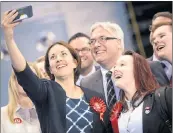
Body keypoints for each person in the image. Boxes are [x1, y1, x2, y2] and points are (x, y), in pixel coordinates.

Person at [1, 10, 111, 133]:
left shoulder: (95, 96)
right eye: (53, 57)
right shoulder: (45, 92)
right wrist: (9, 38)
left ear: (75, 62)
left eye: (63, 54)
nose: (58, 59)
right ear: (51, 69)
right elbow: (23, 72)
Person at [111, 50, 171, 133]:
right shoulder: (118, 112)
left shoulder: (163, 97)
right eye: (114, 66)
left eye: (122, 64)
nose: (115, 69)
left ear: (138, 69)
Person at [81, 22, 124, 110]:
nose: (96, 45)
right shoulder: (86, 84)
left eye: (103, 38)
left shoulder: (142, 69)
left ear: (118, 42)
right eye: (92, 41)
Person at [1, 63, 42, 133]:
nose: (27, 81)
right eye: (22, 76)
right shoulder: (2, 114)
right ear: (14, 81)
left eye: (32, 77)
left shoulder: (47, 114)